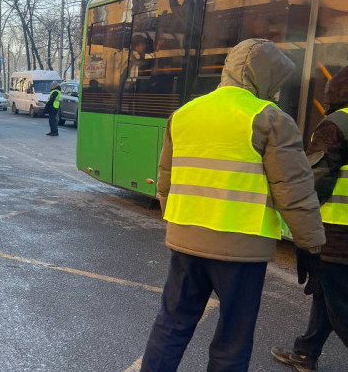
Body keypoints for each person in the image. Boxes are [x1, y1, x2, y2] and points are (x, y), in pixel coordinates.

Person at [140, 39, 326, 372]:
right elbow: (294, 192)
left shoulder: (185, 113)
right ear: (265, 76)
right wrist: (310, 246)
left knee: (171, 324)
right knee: (232, 339)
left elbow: (165, 181)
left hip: (186, 242)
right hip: (242, 251)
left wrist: (178, 223)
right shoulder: (270, 118)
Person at [270, 65, 348, 372]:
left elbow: (313, 178)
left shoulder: (337, 123)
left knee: (340, 303)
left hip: (337, 233)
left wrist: (299, 224)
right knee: (325, 292)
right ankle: (305, 352)